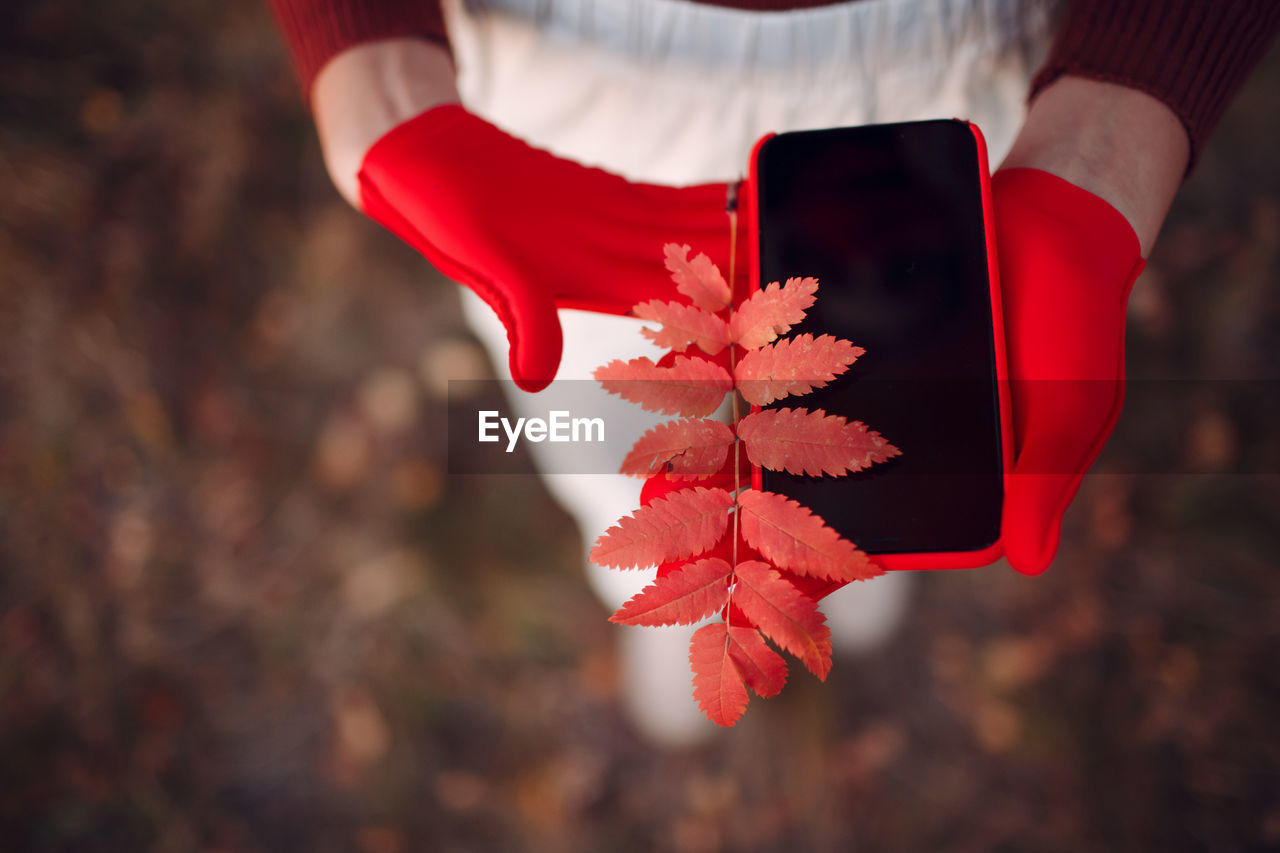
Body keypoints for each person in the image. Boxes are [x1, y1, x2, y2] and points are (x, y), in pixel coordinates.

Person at [266, 0, 1279, 743]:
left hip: (959, 59)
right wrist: (373, 70)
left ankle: (833, 588)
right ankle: (669, 597)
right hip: (561, 64)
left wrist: (1114, 124)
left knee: (895, 441)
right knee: (617, 435)